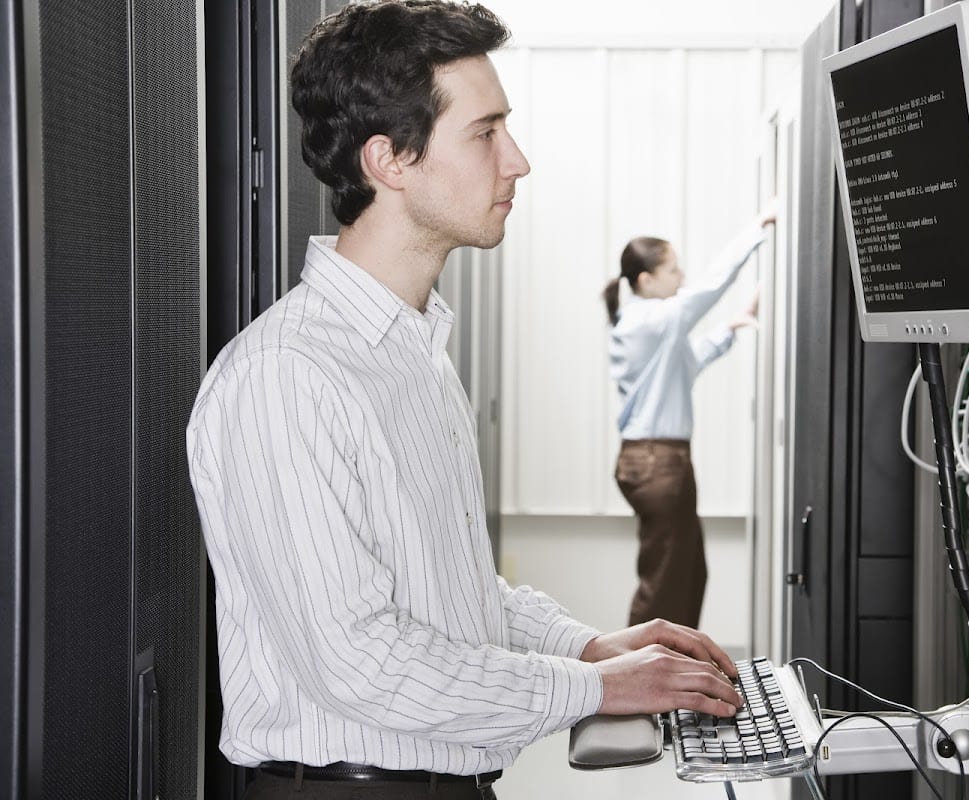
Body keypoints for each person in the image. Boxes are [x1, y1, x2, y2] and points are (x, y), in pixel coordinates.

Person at [186, 3, 742, 799]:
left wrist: (590, 646)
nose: (517, 160)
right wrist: (600, 690)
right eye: (485, 133)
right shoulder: (286, 377)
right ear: (390, 161)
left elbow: (453, 596)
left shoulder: (413, 354)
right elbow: (362, 664)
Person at [604, 207, 775, 629]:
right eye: (674, 270)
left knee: (689, 575)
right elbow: (712, 286)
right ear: (647, 280)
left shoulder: (650, 324)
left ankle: (673, 670)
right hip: (659, 464)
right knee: (663, 585)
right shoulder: (654, 319)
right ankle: (634, 679)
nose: (682, 278)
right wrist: (757, 228)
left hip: (657, 461)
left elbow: (688, 364)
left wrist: (731, 330)